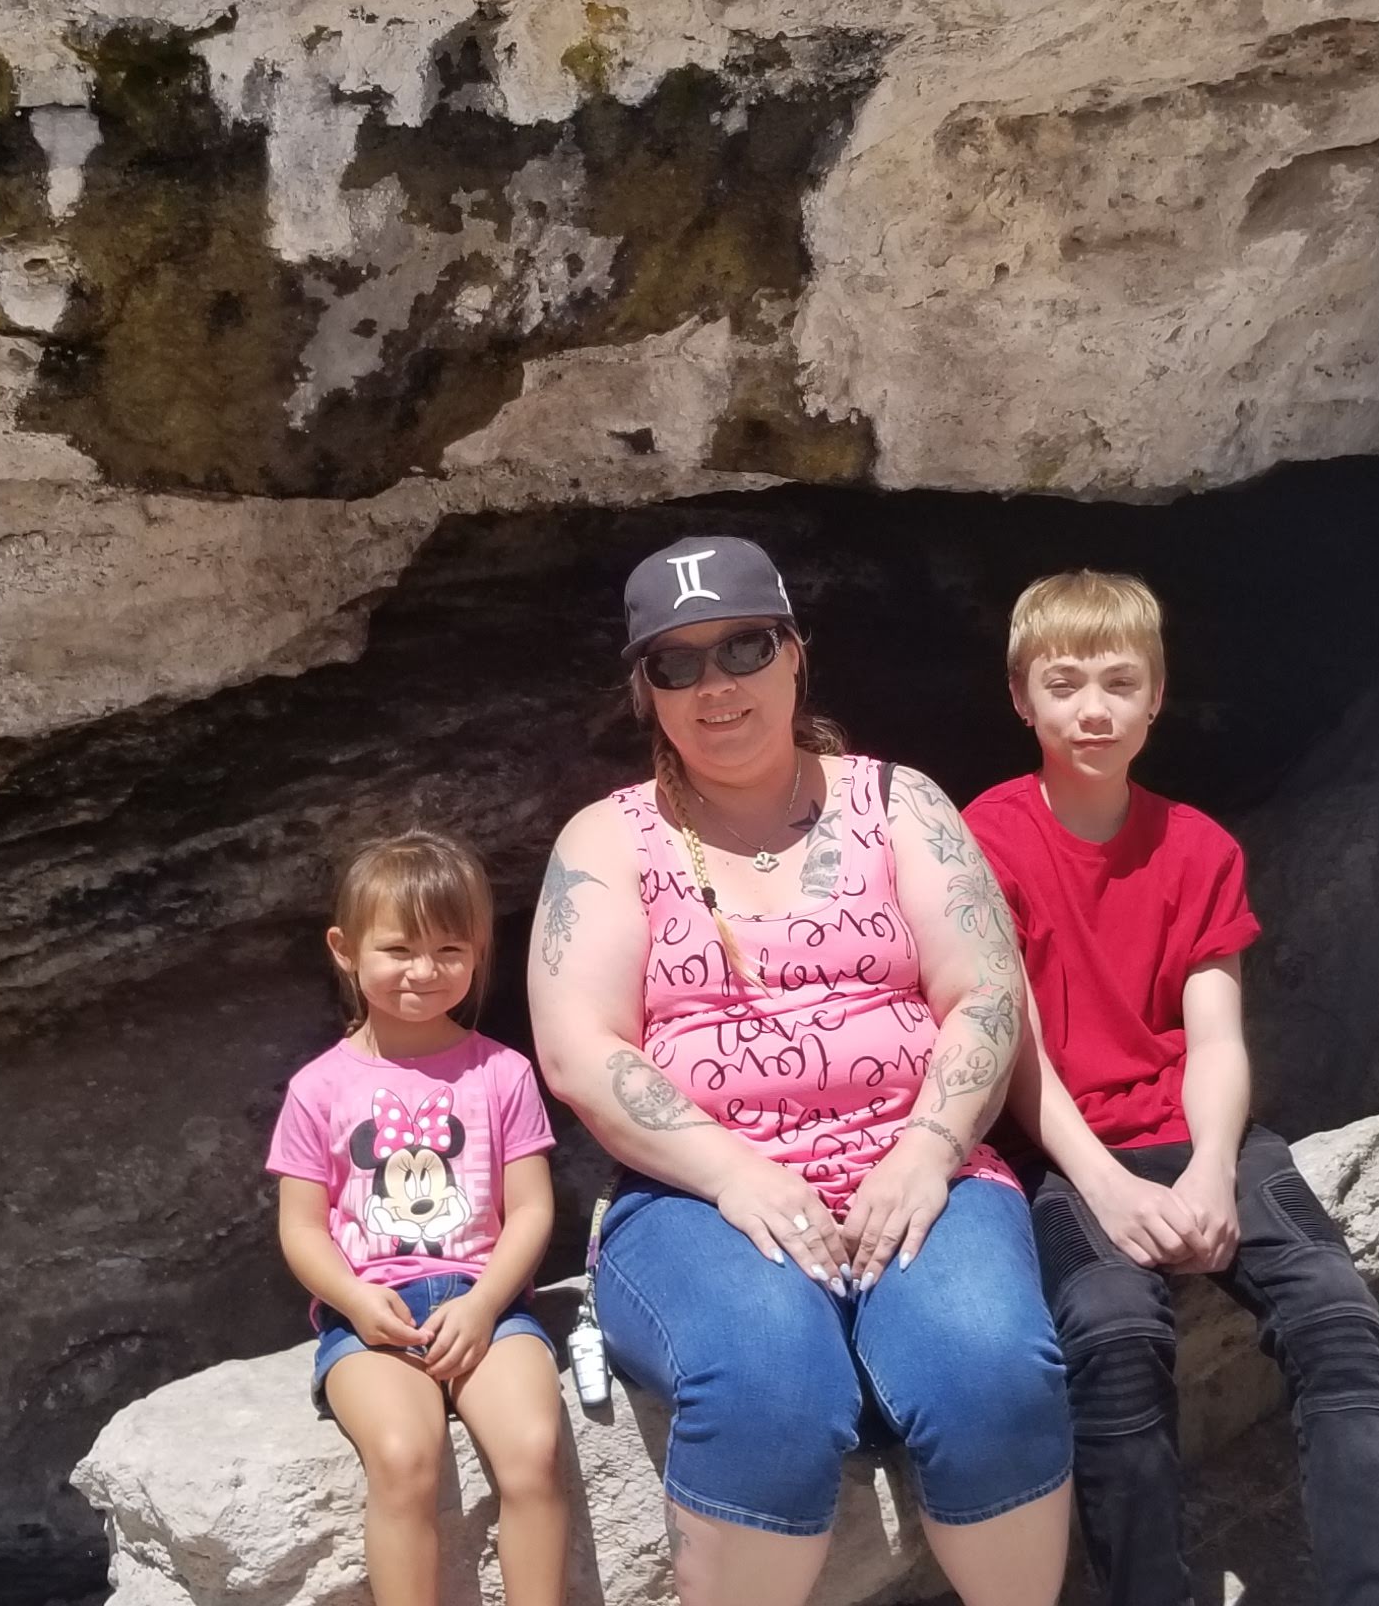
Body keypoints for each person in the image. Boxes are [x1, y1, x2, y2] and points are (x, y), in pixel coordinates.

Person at [526, 534, 1072, 1606]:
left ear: (794, 654)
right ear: (645, 690)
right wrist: (736, 1171)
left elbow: (986, 991)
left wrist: (927, 1148)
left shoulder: (901, 803)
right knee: (767, 1378)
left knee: (988, 1366)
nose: (714, 685)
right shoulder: (606, 840)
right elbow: (579, 1046)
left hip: (920, 1165)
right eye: (676, 663)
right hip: (695, 1197)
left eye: (744, 647)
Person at [964, 571, 1379, 1606]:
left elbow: (1216, 1040)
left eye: (1120, 682)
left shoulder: (1198, 847)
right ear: (1021, 698)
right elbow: (1012, 1049)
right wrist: (1108, 1187)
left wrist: (1213, 1170)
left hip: (1197, 1132)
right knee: (1114, 1335)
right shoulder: (985, 840)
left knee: (1337, 1317)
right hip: (1060, 1150)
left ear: (1157, 696)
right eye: (1064, 683)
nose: (1094, 709)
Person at [268, 831, 569, 1606]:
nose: (424, 971)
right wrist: (354, 1298)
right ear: (345, 950)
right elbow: (302, 1227)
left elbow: (531, 1209)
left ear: (478, 951)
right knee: (405, 1457)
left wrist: (485, 1303)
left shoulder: (502, 1073)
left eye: (449, 950)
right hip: (373, 1313)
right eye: (398, 949)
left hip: (487, 1305)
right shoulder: (317, 1087)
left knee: (533, 1449)